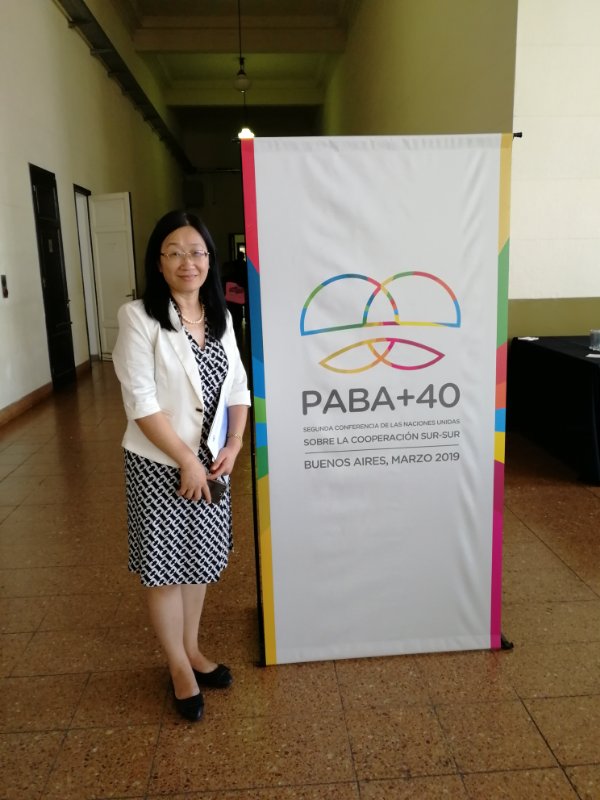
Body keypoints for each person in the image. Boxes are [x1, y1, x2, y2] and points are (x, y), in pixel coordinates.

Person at [112, 210, 251, 722]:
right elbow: (141, 401)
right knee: (165, 568)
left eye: (196, 252)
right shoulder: (139, 317)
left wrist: (234, 443)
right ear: (158, 261)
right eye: (174, 252)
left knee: (198, 560)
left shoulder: (221, 317)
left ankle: (192, 648)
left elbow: (238, 386)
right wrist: (186, 460)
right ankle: (177, 665)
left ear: (209, 259)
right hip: (159, 464)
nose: (187, 262)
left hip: (213, 462)